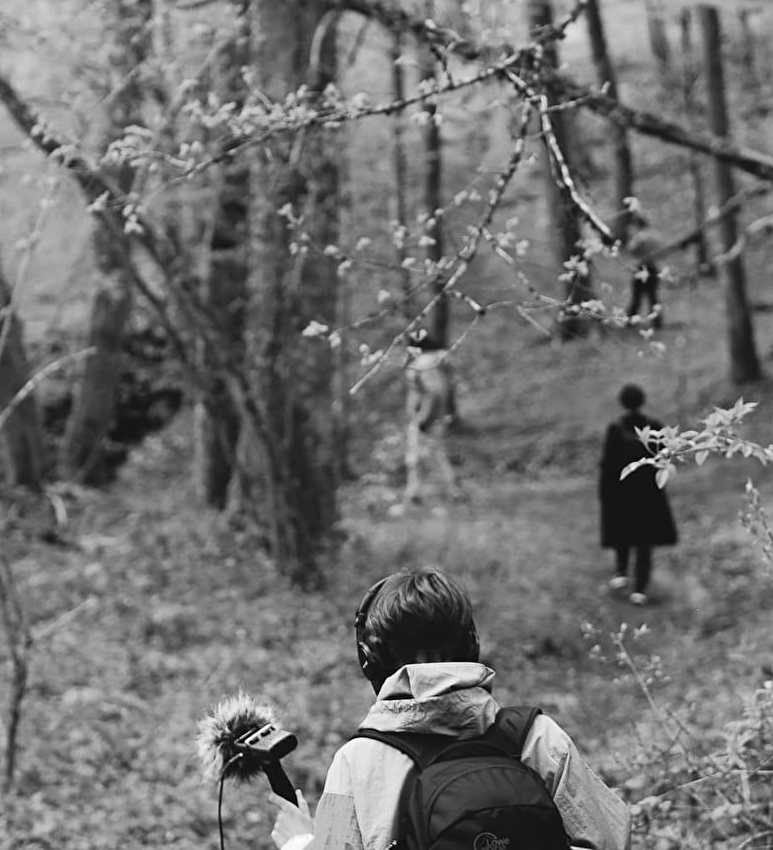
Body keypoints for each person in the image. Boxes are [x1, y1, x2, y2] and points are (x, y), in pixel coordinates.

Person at [268, 567, 632, 850]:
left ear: (372, 663)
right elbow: (611, 840)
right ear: (471, 644)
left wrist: (299, 841)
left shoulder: (358, 762)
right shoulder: (538, 738)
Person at [598, 385, 678, 606]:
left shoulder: (615, 428)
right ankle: (640, 588)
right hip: (648, 494)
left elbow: (608, 464)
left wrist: (605, 492)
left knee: (622, 533)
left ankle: (622, 574)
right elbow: (665, 458)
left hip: (621, 492)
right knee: (644, 541)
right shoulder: (655, 426)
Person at [402, 336, 459, 506]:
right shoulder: (436, 362)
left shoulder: (424, 363)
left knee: (429, 455)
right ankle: (415, 493)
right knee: (421, 456)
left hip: (426, 418)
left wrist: (423, 419)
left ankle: (451, 492)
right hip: (435, 417)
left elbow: (433, 392)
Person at [620, 219, 664, 328]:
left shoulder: (640, 237)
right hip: (653, 268)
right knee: (653, 297)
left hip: (642, 268)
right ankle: (658, 322)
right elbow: (662, 251)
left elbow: (630, 249)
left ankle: (630, 321)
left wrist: (631, 236)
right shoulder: (655, 236)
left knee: (636, 297)